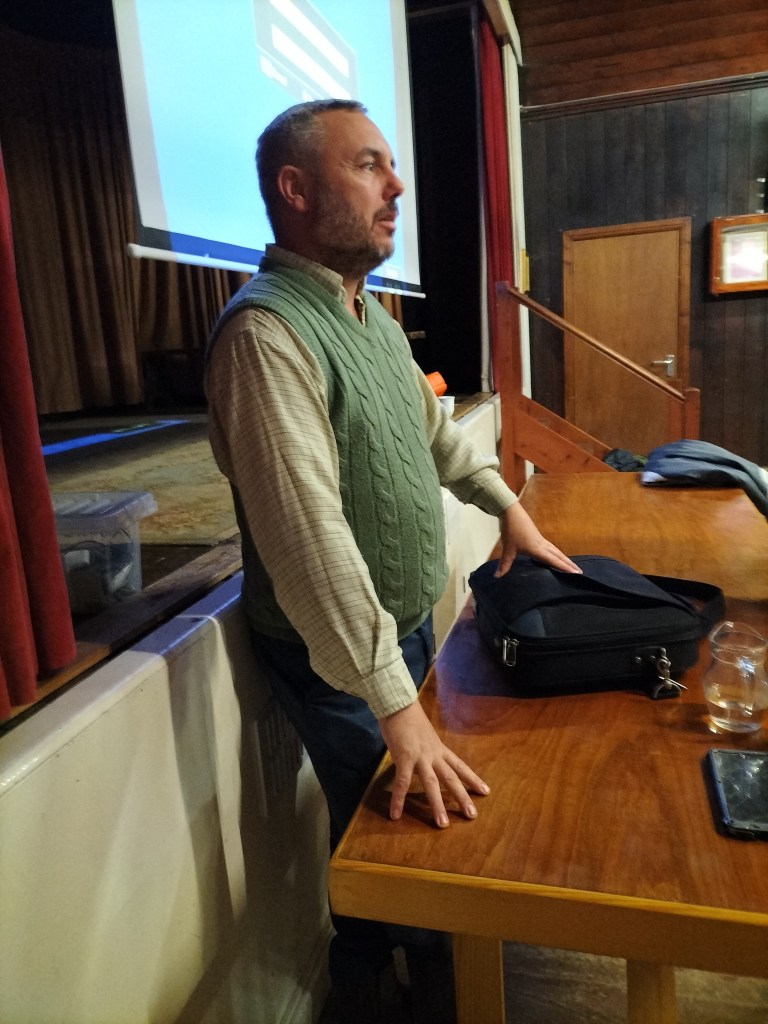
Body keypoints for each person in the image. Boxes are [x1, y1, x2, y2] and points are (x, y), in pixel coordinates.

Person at [205, 98, 579, 1023]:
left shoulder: (367, 314)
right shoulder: (265, 335)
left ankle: (372, 968)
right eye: (369, 165)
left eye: (391, 165)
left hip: (400, 631)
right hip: (334, 658)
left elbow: (435, 438)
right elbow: (308, 541)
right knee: (413, 835)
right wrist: (393, 702)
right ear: (296, 190)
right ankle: (415, 986)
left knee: (387, 826)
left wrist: (508, 510)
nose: (398, 186)